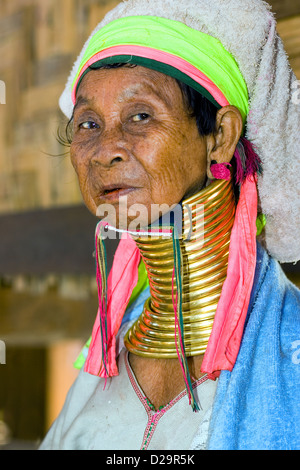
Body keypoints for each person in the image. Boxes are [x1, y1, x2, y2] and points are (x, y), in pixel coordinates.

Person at [40, 0, 300, 450]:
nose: (105, 150)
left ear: (219, 135)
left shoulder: (289, 350)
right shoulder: (110, 345)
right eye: (88, 123)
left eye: (140, 115)